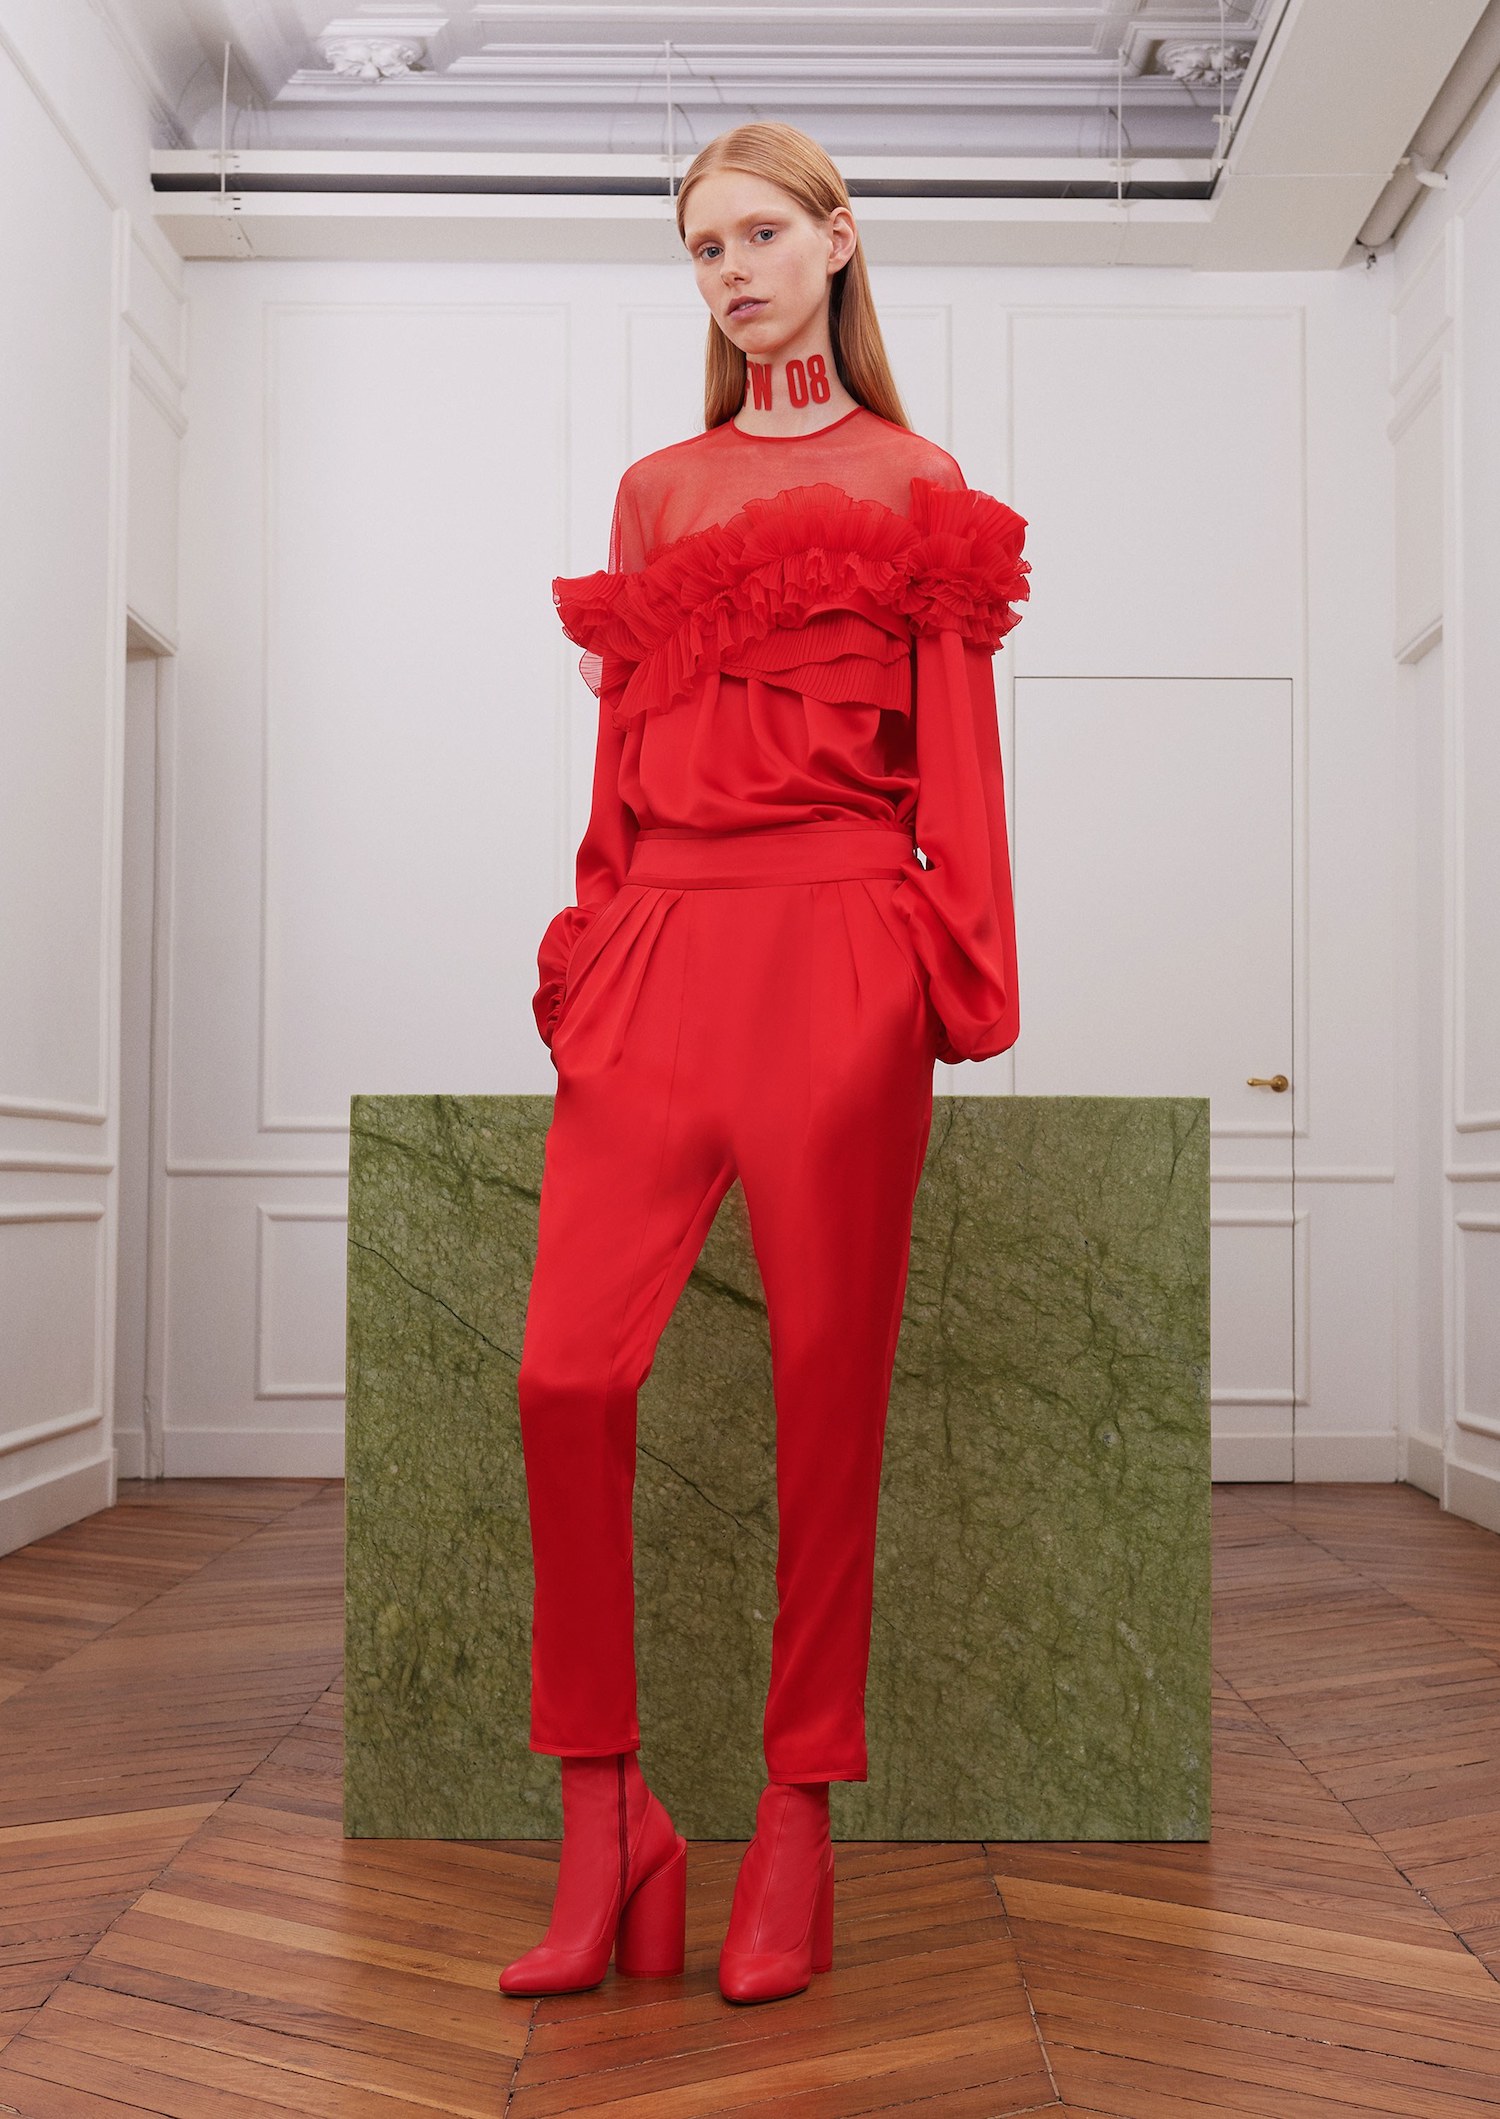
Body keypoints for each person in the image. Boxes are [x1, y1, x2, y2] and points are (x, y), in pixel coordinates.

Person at [498, 120, 1030, 2008]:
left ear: (836, 240)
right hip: (662, 939)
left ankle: (796, 1816)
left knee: (827, 1390)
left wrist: (952, 972)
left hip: (840, 945)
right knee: (565, 1375)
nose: (729, 271)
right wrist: (592, 942)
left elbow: (960, 759)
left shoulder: (918, 484)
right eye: (702, 247)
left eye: (756, 235)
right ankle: (607, 1815)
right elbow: (616, 761)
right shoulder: (658, 491)